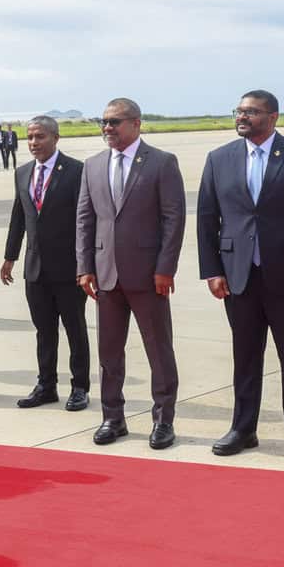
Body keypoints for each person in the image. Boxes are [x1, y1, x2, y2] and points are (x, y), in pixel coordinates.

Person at [197, 90, 284, 463]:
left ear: (273, 117)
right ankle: (243, 428)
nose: (242, 117)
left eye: (252, 112)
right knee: (245, 356)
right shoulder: (219, 159)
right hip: (238, 276)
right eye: (239, 111)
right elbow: (207, 218)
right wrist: (212, 269)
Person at [76, 98, 185, 450]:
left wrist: (165, 268)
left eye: (115, 121)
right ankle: (113, 417)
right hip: (106, 275)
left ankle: (163, 420)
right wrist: (84, 267)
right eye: (104, 121)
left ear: (136, 124)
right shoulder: (93, 165)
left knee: (158, 350)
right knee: (109, 353)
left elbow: (173, 219)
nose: (107, 127)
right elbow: (85, 220)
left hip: (149, 275)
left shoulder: (161, 162)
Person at [2, 116, 90, 411]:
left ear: (55, 138)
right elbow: (19, 217)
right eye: (29, 137)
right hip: (35, 268)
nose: (33, 143)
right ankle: (46, 386)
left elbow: (85, 221)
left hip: (69, 268)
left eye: (39, 136)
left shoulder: (76, 171)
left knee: (75, 329)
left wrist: (86, 265)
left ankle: (80, 387)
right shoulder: (23, 172)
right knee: (44, 330)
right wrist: (10, 257)